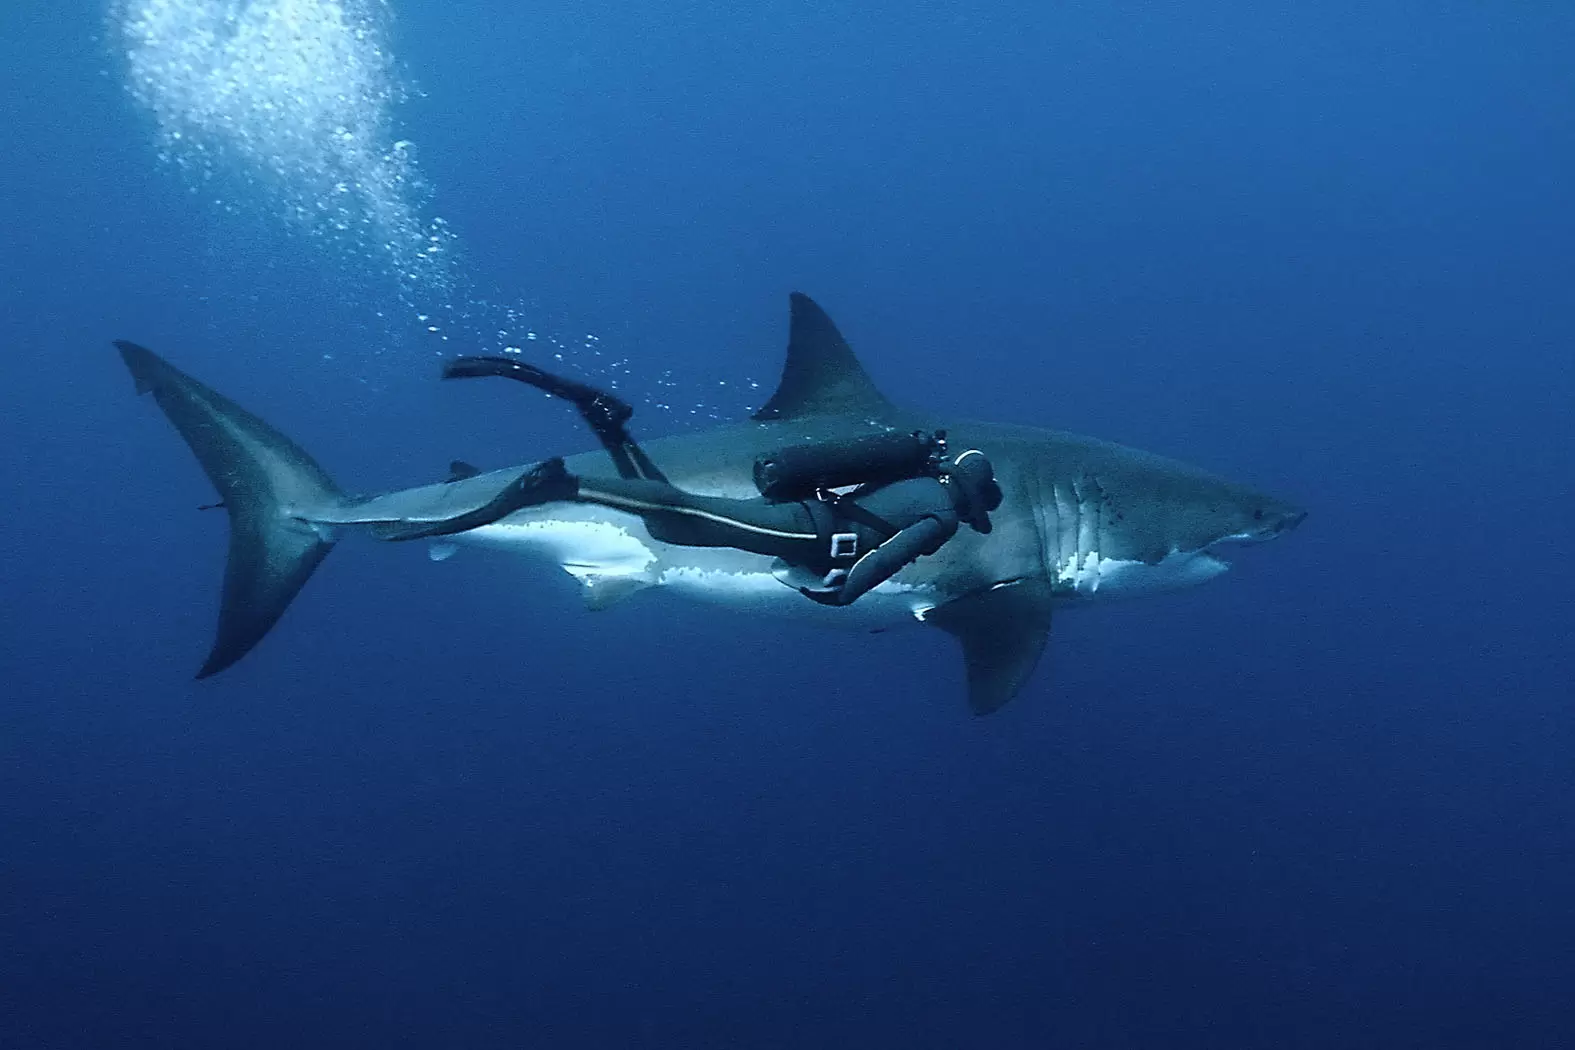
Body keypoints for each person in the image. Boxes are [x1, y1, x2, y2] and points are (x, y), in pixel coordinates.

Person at [441, 356, 1002, 607]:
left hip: (811, 512)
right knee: (678, 521)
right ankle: (565, 485)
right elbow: (888, 558)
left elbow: (866, 504)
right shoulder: (942, 515)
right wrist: (842, 594)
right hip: (803, 531)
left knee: (677, 519)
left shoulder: (916, 469)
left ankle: (604, 421)